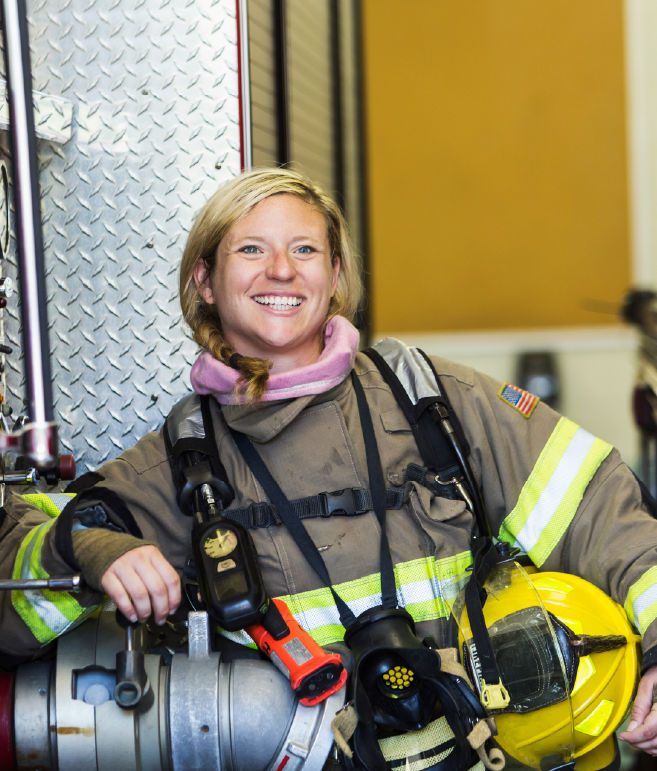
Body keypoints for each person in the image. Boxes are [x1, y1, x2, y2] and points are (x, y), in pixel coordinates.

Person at [1, 166, 657, 765]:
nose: (281, 270)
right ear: (204, 280)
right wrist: (88, 545)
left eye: (305, 249)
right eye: (251, 249)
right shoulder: (178, 467)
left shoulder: (431, 402)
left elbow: (603, 515)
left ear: (336, 275)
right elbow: (14, 567)